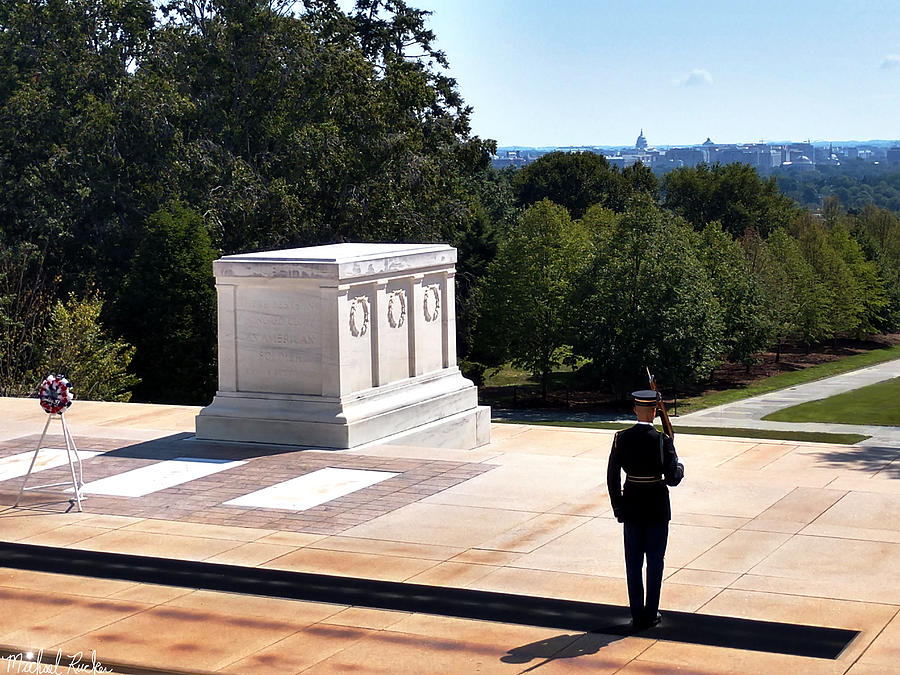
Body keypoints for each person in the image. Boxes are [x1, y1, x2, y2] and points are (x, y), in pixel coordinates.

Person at [607, 389, 684, 631]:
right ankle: (651, 613)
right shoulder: (663, 440)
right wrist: (679, 465)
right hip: (657, 507)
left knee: (633, 562)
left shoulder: (621, 437)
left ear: (634, 410)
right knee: (655, 562)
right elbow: (672, 478)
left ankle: (636, 613)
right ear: (654, 412)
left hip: (630, 505)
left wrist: (618, 507)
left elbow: (612, 477)